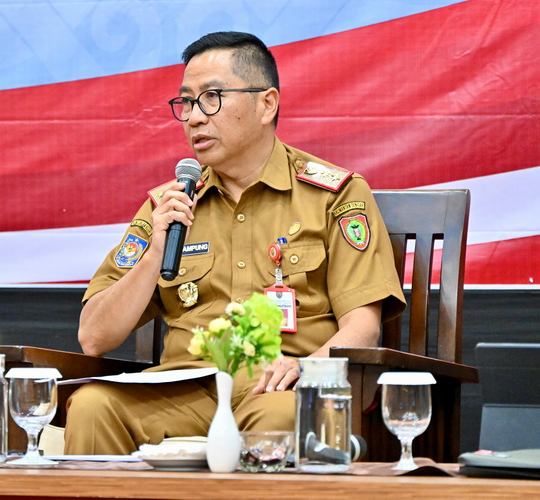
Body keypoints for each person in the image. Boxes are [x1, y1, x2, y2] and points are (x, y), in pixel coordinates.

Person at [64, 31, 406, 455]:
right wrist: (155, 252)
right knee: (93, 406)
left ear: (266, 104)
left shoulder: (334, 195)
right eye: (186, 102)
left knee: (284, 417)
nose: (193, 118)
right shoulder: (168, 206)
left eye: (211, 98)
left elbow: (363, 328)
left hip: (283, 384)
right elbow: (94, 338)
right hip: (188, 391)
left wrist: (307, 365)